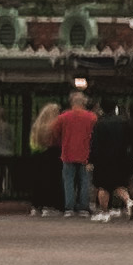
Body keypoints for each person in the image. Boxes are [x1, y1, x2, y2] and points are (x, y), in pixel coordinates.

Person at [53, 82, 98, 220]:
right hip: (85, 153)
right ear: (84, 102)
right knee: (85, 181)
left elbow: (55, 132)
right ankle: (84, 207)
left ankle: (69, 208)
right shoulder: (92, 117)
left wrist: (62, 143)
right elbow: (95, 135)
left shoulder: (63, 117)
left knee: (68, 181)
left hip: (67, 153)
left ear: (71, 102)